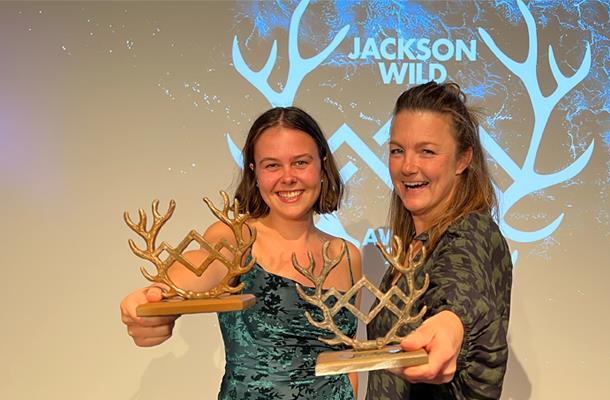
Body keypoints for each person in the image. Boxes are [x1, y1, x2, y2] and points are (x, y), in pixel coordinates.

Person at [120, 107, 362, 400]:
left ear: (322, 166)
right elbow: (199, 268)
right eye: (272, 165)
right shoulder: (234, 239)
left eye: (300, 162)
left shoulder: (346, 255)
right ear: (254, 172)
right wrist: (154, 296)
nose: (288, 177)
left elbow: (347, 360)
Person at [367, 81, 513, 399]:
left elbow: (462, 289)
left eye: (427, 152)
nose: (408, 166)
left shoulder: (473, 231)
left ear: (463, 159)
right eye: (397, 151)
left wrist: (450, 325)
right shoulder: (413, 247)